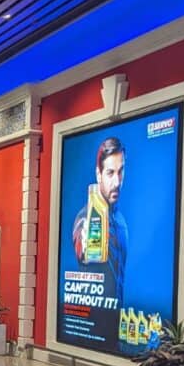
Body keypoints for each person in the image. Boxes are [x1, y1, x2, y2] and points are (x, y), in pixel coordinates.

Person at [72, 137, 128, 342]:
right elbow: (82, 242)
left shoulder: (121, 219)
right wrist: (85, 244)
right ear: (99, 175)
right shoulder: (84, 217)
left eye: (121, 171)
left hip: (115, 329)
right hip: (92, 328)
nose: (117, 182)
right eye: (110, 173)